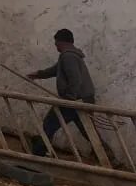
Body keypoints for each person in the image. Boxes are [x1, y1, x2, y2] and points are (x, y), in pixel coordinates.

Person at [28, 28, 97, 156]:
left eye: (56, 44)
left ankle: (40, 152)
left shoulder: (68, 56)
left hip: (74, 100)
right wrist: (38, 74)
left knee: (49, 123)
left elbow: (75, 79)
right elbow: (55, 70)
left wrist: (69, 98)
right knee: (88, 131)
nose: (56, 47)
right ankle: (109, 158)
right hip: (85, 98)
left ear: (61, 42)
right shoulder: (72, 55)